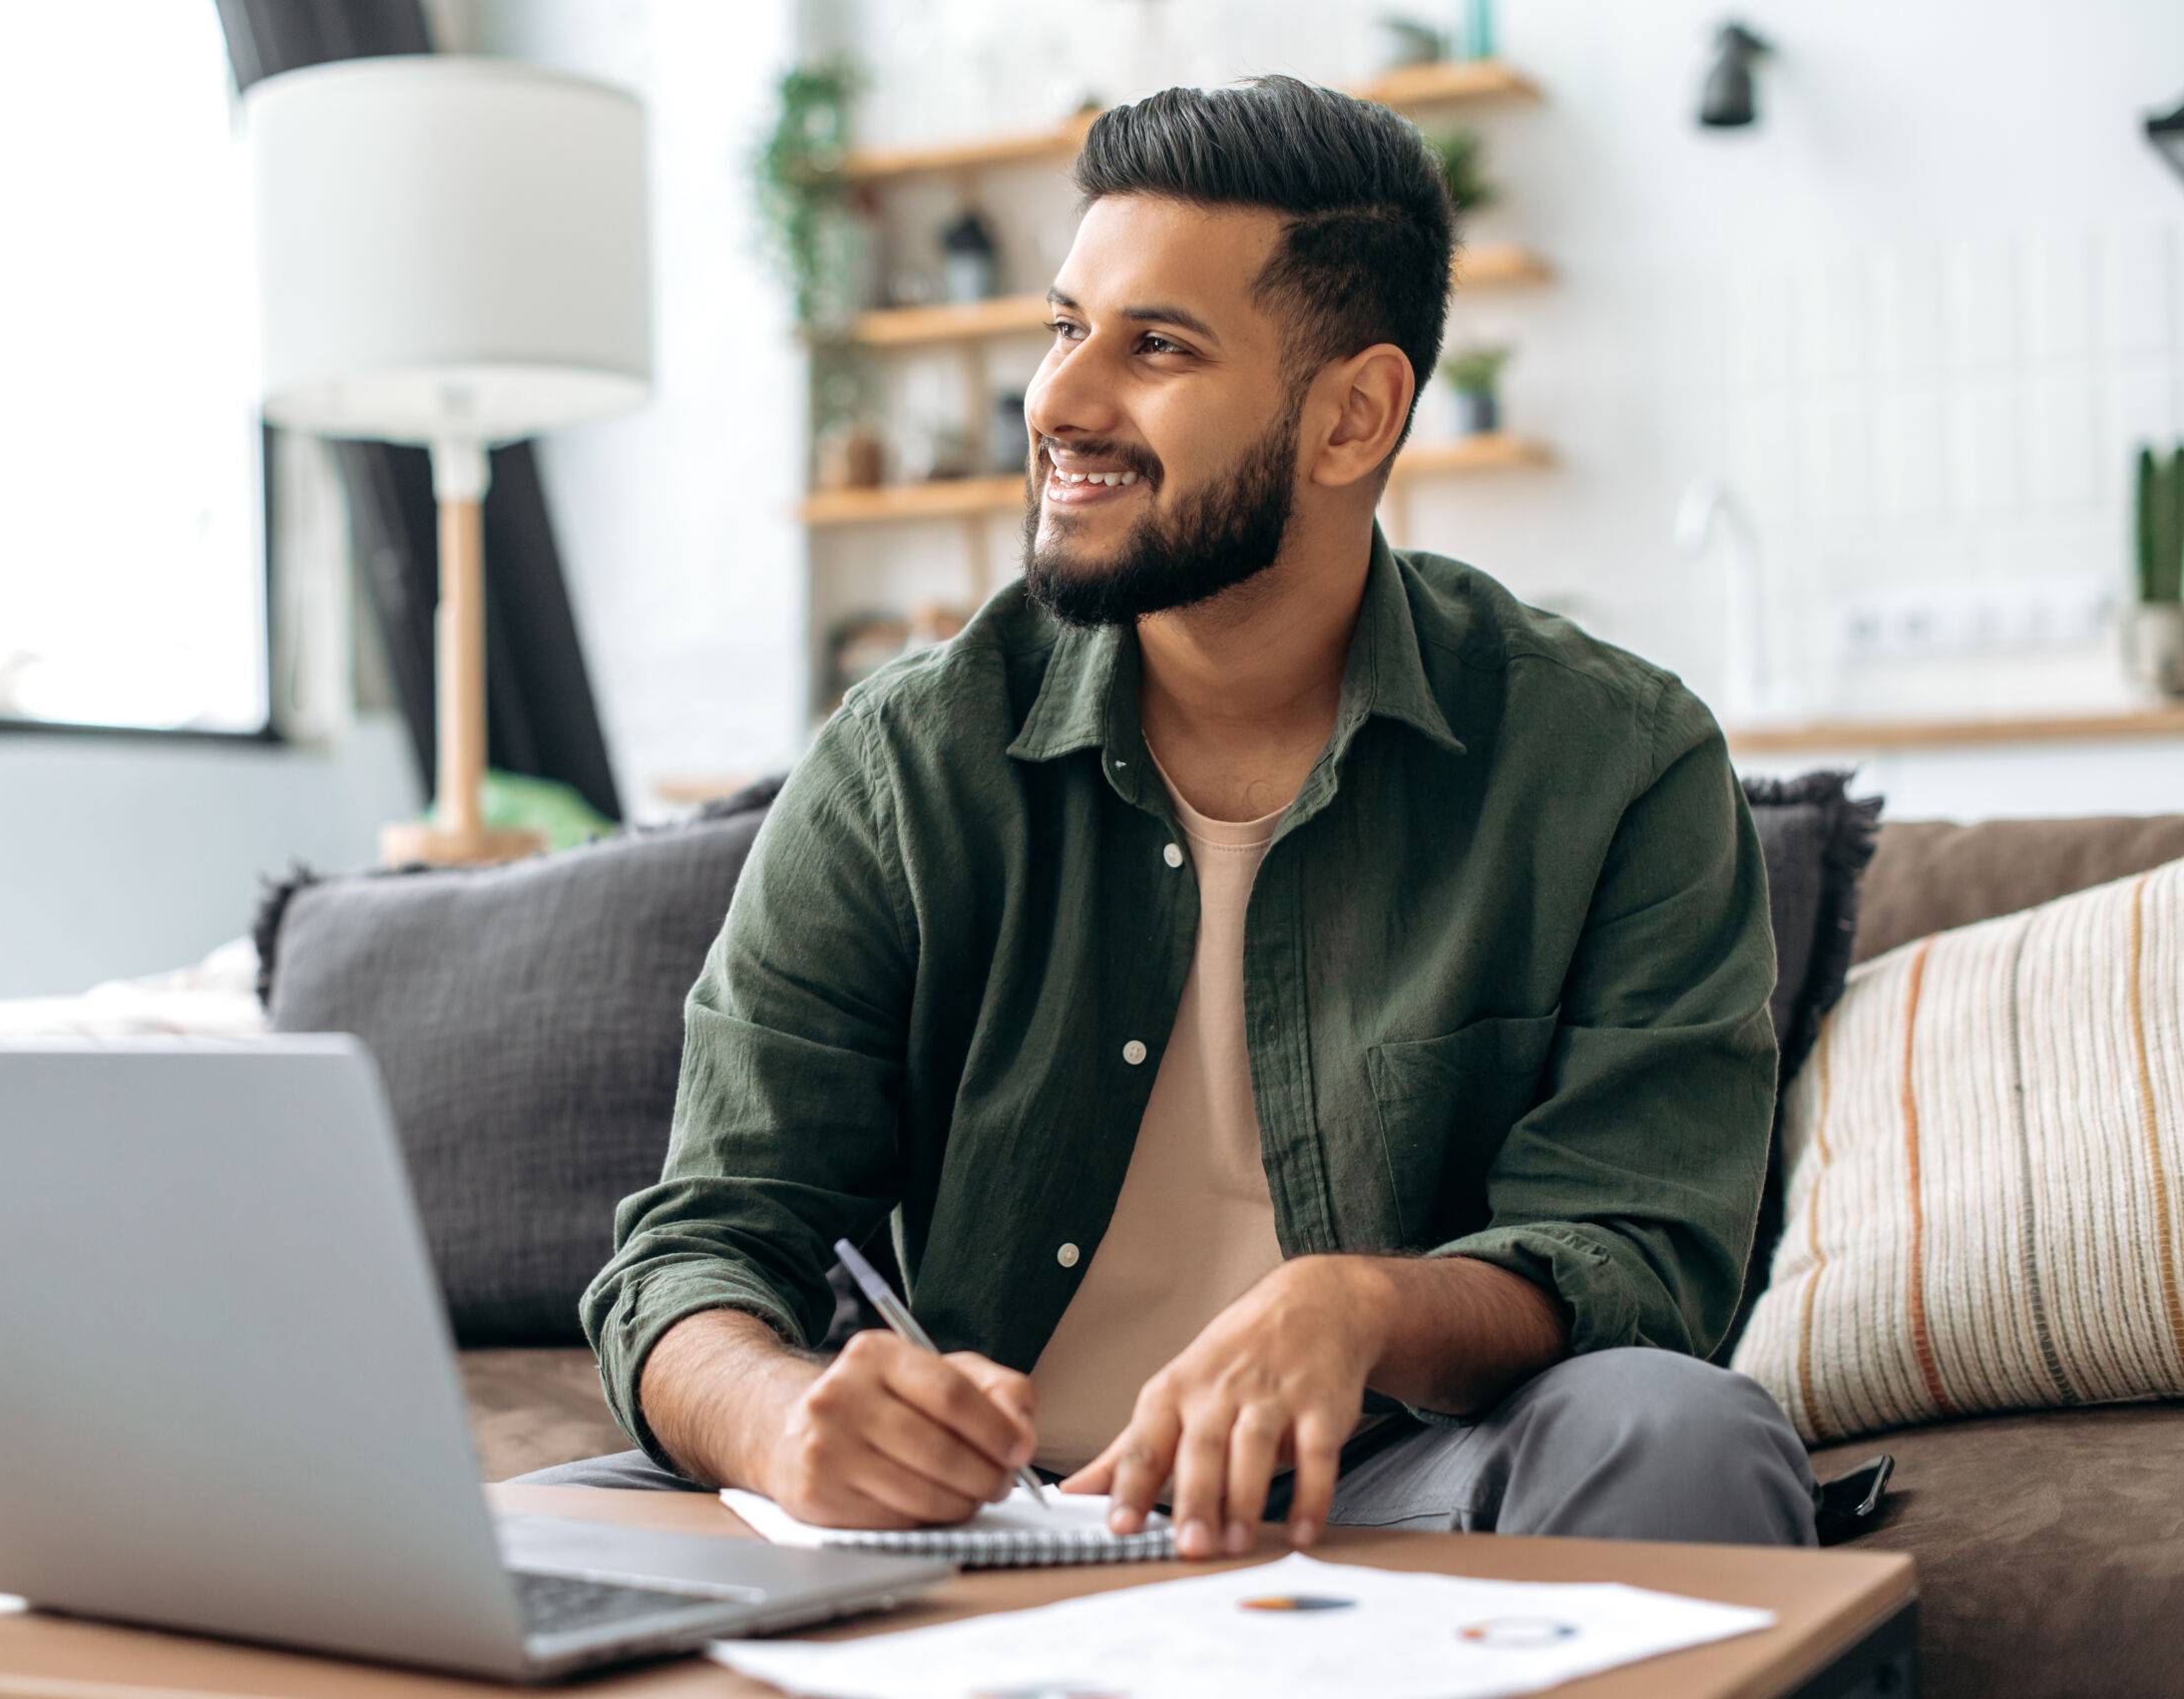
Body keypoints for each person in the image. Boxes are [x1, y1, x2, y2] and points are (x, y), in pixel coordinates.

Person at [523, 76, 1817, 1554]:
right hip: (971, 1521)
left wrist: (1362, 1305)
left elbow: (1646, 1255)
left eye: (1156, 348)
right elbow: (697, 1250)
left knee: (1680, 1435)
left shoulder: (1617, 764)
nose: (1060, 402)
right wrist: (779, 1422)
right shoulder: (906, 759)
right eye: (1066, 327)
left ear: (1355, 417)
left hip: (1396, 1487)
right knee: (479, 1552)